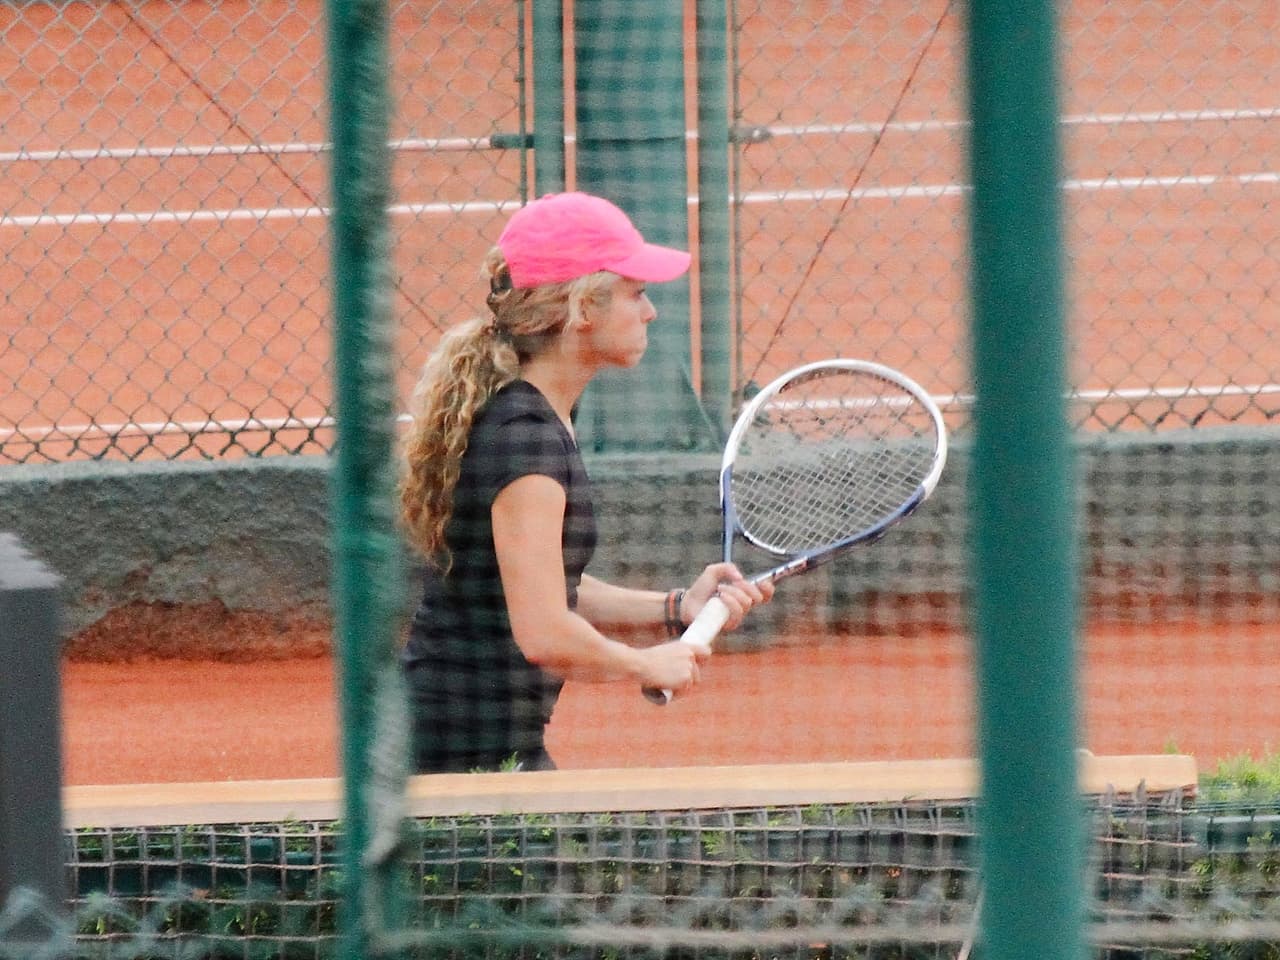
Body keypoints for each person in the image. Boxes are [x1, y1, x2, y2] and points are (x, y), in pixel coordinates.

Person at [398, 191, 773, 773]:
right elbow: (544, 632)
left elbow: (543, 579)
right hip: (458, 753)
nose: (649, 312)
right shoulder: (525, 440)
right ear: (581, 309)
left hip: (474, 736)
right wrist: (646, 664)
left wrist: (675, 606)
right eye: (636, 293)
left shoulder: (534, 417)